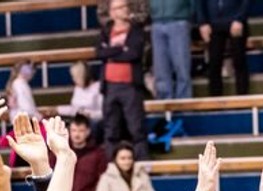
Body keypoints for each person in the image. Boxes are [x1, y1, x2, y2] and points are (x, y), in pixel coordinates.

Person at [98, 0, 150, 160]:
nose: (121, 10)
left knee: (136, 128)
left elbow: (134, 53)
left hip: (130, 86)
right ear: (112, 12)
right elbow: (100, 53)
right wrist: (121, 48)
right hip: (110, 86)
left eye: (123, 7)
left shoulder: (136, 30)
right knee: (111, 129)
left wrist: (111, 52)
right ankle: (111, 166)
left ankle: (142, 164)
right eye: (116, 8)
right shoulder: (106, 31)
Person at [197, 0, 250, 97]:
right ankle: (215, 103)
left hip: (235, 21)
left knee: (239, 61)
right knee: (214, 63)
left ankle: (243, 99)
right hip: (213, 23)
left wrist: (240, 19)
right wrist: (202, 22)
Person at [150, 0, 194, 100]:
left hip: (178, 20)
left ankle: (184, 104)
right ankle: (164, 104)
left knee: (181, 66)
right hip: (156, 22)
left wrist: (188, 15)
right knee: (160, 68)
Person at [57, 61, 104, 130]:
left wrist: (89, 114)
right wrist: (57, 109)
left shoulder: (98, 88)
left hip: (92, 121)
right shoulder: (78, 88)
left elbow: (104, 112)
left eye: (75, 77)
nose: (73, 80)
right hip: (78, 119)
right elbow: (74, 109)